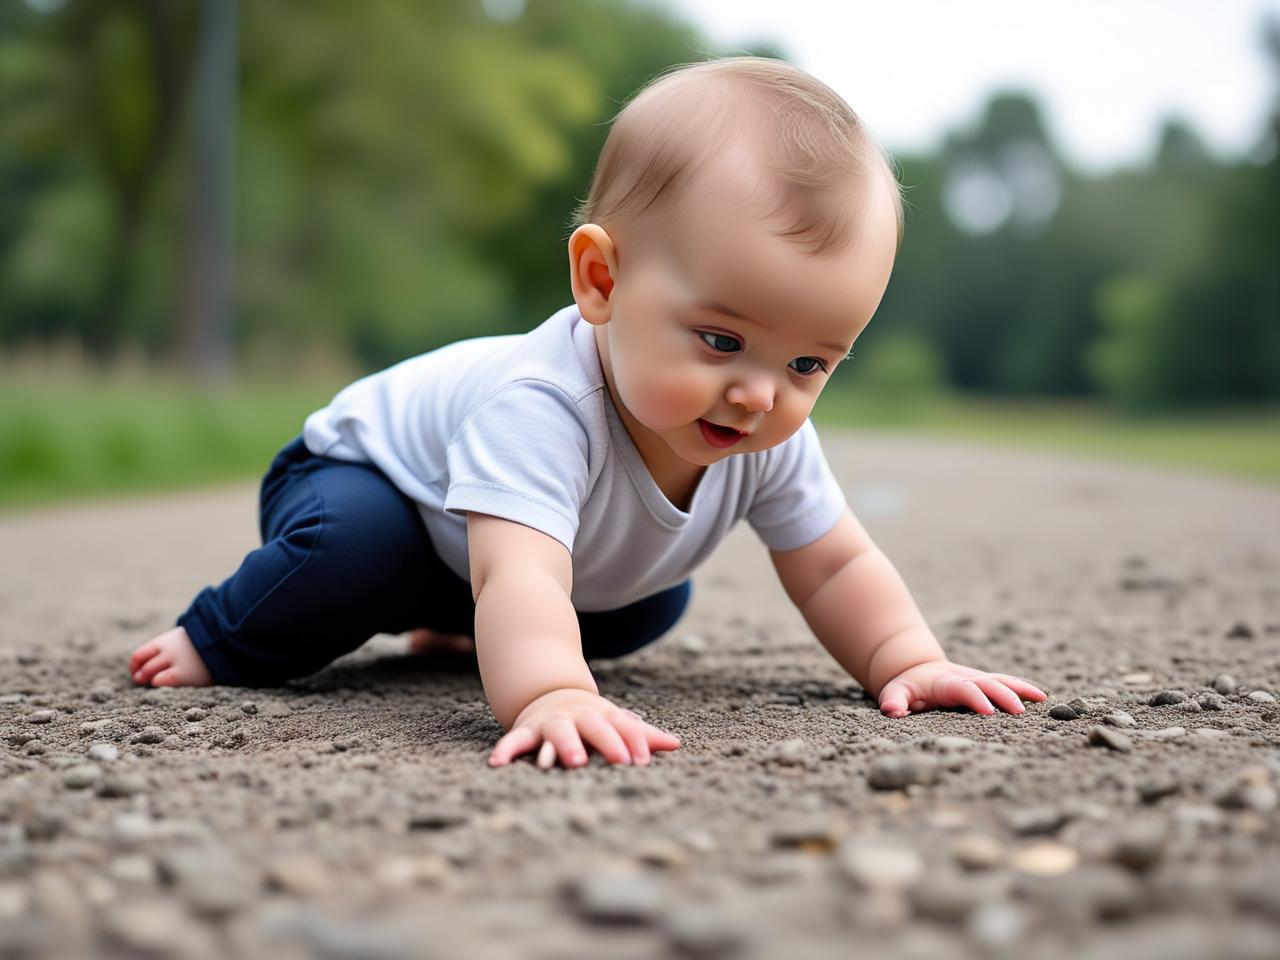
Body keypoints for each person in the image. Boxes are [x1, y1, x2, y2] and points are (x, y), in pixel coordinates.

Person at [128, 57, 1046, 770]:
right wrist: (553, 693)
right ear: (602, 280)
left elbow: (837, 561)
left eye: (810, 362)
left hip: (486, 559)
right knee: (353, 556)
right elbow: (524, 578)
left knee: (646, 605)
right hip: (366, 486)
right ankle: (217, 634)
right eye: (721, 341)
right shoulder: (545, 402)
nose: (761, 393)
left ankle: (452, 624)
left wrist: (905, 657)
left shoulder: (768, 430)